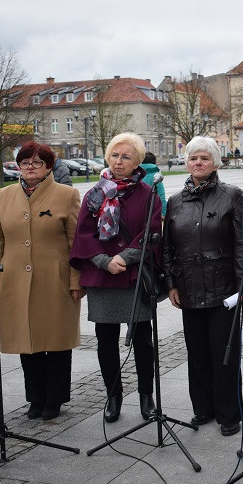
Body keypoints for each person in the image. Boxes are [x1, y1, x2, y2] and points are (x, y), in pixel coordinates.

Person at [0, 141, 83, 421]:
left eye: (37, 162)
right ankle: (35, 398)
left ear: (49, 166)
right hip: (15, 280)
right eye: (25, 162)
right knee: (27, 340)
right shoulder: (3, 195)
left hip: (55, 279)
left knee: (56, 341)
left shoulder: (67, 195)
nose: (30, 167)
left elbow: (76, 241)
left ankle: (55, 399)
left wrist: (77, 280)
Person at [162, 136, 243, 437]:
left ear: (215, 163)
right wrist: (170, 283)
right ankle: (203, 407)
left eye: (204, 158)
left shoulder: (232, 196)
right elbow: (167, 247)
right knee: (197, 352)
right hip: (188, 286)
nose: (198, 163)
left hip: (223, 287)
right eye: (193, 158)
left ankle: (229, 413)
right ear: (186, 163)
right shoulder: (175, 201)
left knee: (224, 354)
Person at [70, 133, 162, 423]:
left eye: (126, 157)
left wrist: (125, 257)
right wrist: (103, 261)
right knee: (106, 340)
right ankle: (113, 395)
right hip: (103, 276)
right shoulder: (95, 193)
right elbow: (83, 233)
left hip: (134, 274)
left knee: (143, 340)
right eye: (114, 155)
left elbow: (151, 230)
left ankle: (146, 395)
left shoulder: (148, 193)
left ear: (137, 162)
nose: (119, 161)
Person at [140, 152, 167, 218]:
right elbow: (161, 196)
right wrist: (163, 213)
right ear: (154, 162)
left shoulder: (136, 175)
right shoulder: (156, 177)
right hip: (153, 213)